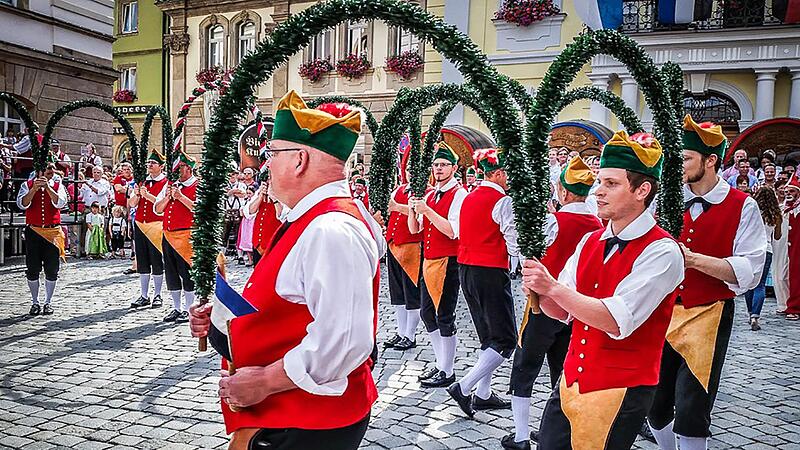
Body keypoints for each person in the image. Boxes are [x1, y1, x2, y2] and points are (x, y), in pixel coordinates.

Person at [189, 90, 384, 450]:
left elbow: (343, 341)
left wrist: (264, 381)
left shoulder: (331, 229)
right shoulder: (314, 219)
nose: (266, 165)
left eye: (272, 154)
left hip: (306, 423)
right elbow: (286, 302)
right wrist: (220, 322)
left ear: (299, 160)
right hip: (293, 418)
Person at [521, 130, 683, 450]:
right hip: (571, 381)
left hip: (622, 389)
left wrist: (553, 287)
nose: (598, 191)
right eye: (600, 182)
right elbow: (562, 312)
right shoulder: (590, 242)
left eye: (611, 184)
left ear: (643, 190)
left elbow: (615, 320)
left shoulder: (663, 252)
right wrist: (540, 291)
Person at [648, 115, 766, 450]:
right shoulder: (667, 202)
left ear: (711, 160)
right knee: (655, 407)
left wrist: (693, 258)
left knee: (692, 408)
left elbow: (750, 269)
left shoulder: (743, 207)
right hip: (663, 312)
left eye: (686, 158)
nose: (680, 165)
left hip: (709, 314)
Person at [501, 156, 603, 450]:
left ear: (565, 192)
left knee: (524, 367)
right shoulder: (598, 224)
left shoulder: (552, 222)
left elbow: (525, 254)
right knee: (563, 371)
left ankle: (521, 435)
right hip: (577, 307)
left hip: (544, 305)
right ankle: (561, 430)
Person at [446, 147, 518, 418]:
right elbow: (513, 243)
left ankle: (484, 394)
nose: (510, 178)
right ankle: (464, 387)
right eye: (507, 173)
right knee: (505, 339)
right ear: (498, 173)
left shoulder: (469, 196)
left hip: (467, 268)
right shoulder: (502, 201)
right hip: (490, 270)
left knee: (488, 335)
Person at [408, 142, 468, 388]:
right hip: (429, 261)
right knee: (427, 314)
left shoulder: (459, 194)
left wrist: (427, 210)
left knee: (444, 315)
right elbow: (415, 230)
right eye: (436, 165)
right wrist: (413, 210)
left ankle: (448, 369)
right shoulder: (431, 194)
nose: (439, 169)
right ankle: (441, 362)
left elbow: (453, 231)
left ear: (453, 168)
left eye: (443, 165)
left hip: (448, 262)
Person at [384, 150, 427, 351]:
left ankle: (410, 335)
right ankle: (401, 332)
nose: (411, 172)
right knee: (398, 294)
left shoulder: (426, 192)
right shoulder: (400, 189)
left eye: (415, 170)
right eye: (409, 169)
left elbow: (420, 216)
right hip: (394, 245)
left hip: (412, 248)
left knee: (412, 294)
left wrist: (396, 206)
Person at [16, 157, 68, 315]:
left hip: (52, 232)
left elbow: (60, 203)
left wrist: (48, 188)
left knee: (52, 269)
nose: (50, 173)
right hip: (34, 231)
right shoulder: (27, 185)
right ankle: (35, 301)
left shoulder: (58, 186)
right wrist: (34, 190)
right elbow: (22, 204)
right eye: (47, 170)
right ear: (39, 172)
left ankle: (48, 302)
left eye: (52, 170)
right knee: (32, 268)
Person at [155, 151, 197, 324]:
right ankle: (176, 307)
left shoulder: (198, 185)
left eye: (180, 167)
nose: (177, 170)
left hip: (186, 234)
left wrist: (180, 197)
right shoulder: (170, 186)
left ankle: (189, 308)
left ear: (189, 168)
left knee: (186, 273)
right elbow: (157, 209)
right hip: (168, 234)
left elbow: (199, 209)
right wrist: (168, 197)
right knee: (171, 273)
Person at [128, 149, 167, 309]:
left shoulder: (166, 183)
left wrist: (148, 195)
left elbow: (162, 205)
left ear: (161, 166)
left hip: (156, 226)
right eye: (149, 163)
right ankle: (144, 295)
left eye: (153, 163)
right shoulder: (142, 181)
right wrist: (137, 194)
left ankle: (157, 294)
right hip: (140, 224)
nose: (150, 165)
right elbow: (132, 203)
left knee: (156, 261)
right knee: (142, 261)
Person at [744, 186, 783, 330]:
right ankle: (755, 315)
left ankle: (749, 312)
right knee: (760, 285)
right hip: (766, 249)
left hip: (750, 248)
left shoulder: (752, 211)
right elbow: (777, 236)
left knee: (749, 282)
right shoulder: (775, 214)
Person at [244, 178, 283, 266]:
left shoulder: (283, 193)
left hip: (274, 244)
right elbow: (249, 212)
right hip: (258, 244)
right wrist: (260, 196)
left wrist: (274, 198)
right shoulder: (259, 193)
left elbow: (282, 216)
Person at [784, 173, 800, 321]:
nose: (789, 194)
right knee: (793, 276)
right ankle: (792, 304)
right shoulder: (786, 208)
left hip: (797, 248)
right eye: (787, 191)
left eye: (792, 191)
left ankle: (794, 307)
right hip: (789, 248)